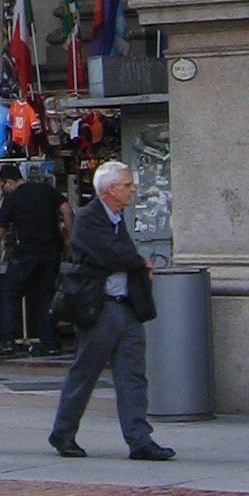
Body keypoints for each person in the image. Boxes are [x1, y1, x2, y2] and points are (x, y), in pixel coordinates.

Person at [48, 160, 175, 461]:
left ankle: (139, 439)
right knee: (85, 371)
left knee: (132, 374)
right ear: (111, 189)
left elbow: (122, 255)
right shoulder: (90, 218)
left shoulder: (117, 218)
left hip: (126, 305)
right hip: (101, 306)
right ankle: (63, 432)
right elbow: (109, 254)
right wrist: (137, 262)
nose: (132, 189)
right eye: (127, 184)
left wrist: (134, 263)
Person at [0, 162, 67, 355]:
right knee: (46, 294)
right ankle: (50, 342)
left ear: (7, 182)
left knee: (11, 293)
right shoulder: (46, 190)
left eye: (2, 185)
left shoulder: (12, 200)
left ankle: (7, 340)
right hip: (51, 250)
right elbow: (67, 210)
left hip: (26, 252)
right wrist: (69, 238)